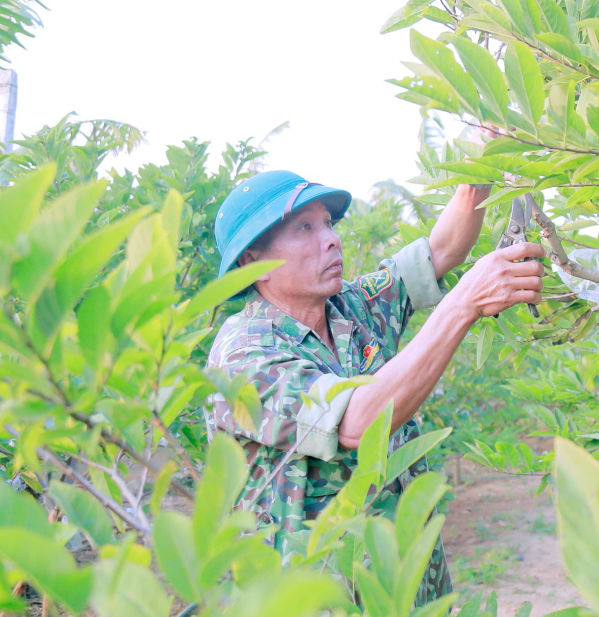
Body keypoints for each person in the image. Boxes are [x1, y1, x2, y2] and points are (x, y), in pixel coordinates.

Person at [204, 169, 545, 605]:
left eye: (328, 223)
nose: (330, 239)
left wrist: (480, 164)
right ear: (253, 262)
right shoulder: (242, 356)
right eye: (304, 228)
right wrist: (463, 304)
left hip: (407, 588)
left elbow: (440, 251)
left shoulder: (349, 306)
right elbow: (356, 423)